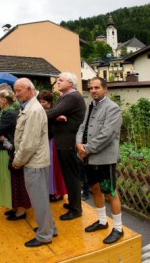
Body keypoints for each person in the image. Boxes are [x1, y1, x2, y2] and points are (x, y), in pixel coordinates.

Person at [76, 77, 125, 244]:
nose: (93, 91)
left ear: (105, 89)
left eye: (97, 88)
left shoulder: (113, 108)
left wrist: (86, 149)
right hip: (89, 157)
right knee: (95, 189)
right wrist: (78, 144)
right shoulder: (91, 106)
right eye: (91, 88)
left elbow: (107, 135)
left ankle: (118, 228)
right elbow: (82, 127)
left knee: (110, 192)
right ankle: (103, 221)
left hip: (104, 158)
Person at [12, 78, 57, 247]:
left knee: (39, 201)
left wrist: (18, 161)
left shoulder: (34, 111)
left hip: (34, 163)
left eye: (19, 90)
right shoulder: (31, 107)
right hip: (37, 161)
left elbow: (29, 143)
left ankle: (45, 235)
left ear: (31, 89)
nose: (17, 94)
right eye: (15, 90)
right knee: (42, 199)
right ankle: (51, 228)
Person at [45, 72, 87, 221]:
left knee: (72, 176)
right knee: (69, 175)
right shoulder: (66, 97)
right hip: (65, 141)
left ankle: (76, 209)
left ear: (70, 83)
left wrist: (53, 115)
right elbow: (55, 114)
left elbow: (52, 113)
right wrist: (56, 116)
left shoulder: (72, 97)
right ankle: (73, 204)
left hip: (69, 142)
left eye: (61, 80)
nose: (58, 82)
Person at [0, 89, 30, 219]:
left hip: (9, 150)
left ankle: (20, 210)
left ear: (4, 100)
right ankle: (15, 206)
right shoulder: (6, 112)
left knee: (14, 181)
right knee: (10, 180)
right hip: (5, 148)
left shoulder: (9, 114)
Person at [38, 90, 67, 202]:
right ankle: (49, 191)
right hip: (44, 142)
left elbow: (53, 129)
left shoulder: (53, 113)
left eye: (44, 102)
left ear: (49, 102)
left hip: (51, 142)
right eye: (40, 101)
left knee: (53, 167)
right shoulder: (42, 112)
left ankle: (56, 192)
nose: (42, 104)